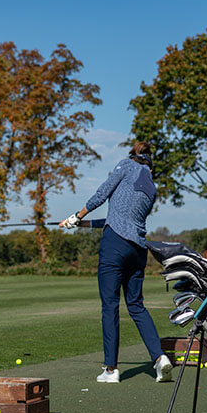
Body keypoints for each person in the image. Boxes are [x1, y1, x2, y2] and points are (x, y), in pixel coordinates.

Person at [60, 141, 172, 384]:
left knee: (110, 306)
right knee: (136, 305)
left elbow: (102, 194)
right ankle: (159, 358)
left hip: (114, 245)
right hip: (138, 250)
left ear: (133, 156)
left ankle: (111, 370)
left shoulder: (125, 165)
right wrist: (82, 224)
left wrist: (76, 215)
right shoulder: (152, 188)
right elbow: (119, 217)